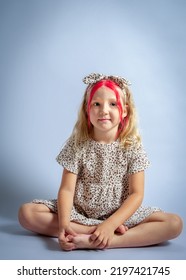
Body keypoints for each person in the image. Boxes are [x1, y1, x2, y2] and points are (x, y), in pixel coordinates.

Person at [18, 73, 183, 251]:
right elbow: (66, 189)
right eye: (96, 104)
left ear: (124, 110)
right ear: (87, 110)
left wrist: (110, 224)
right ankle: (92, 234)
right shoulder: (78, 144)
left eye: (113, 104)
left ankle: (106, 239)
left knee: (174, 223)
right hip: (80, 213)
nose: (104, 110)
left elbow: (136, 194)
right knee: (27, 213)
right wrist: (64, 224)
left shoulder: (132, 146)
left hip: (120, 216)